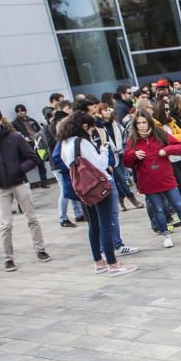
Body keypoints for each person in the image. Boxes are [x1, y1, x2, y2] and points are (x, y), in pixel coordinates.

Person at [59, 111, 137, 276]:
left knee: (93, 225)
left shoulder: (65, 143)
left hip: (82, 188)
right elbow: (100, 164)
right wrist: (103, 147)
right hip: (98, 186)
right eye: (90, 129)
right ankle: (113, 264)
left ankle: (99, 261)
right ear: (84, 126)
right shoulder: (82, 142)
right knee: (105, 225)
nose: (91, 132)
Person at [124, 110, 181, 249]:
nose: (141, 126)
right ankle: (166, 236)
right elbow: (126, 162)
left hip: (166, 178)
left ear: (149, 122)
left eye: (144, 122)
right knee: (158, 210)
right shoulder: (132, 140)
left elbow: (179, 146)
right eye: (138, 123)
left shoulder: (160, 134)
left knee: (179, 206)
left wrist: (167, 150)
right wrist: (133, 155)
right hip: (148, 182)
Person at [0, 108, 50, 272]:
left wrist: (19, 169)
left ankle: (40, 250)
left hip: (20, 183)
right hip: (0, 188)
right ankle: (8, 259)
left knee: (31, 218)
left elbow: (32, 158)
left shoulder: (14, 137)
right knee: (5, 224)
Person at [10, 105, 49, 188]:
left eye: (22, 110)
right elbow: (14, 134)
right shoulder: (14, 123)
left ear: (25, 111)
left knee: (41, 163)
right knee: (26, 165)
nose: (20, 112)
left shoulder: (32, 120)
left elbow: (39, 131)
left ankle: (44, 182)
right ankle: (26, 183)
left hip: (37, 144)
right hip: (26, 146)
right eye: (18, 111)